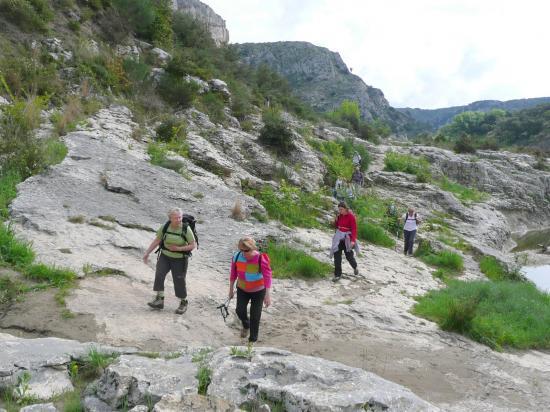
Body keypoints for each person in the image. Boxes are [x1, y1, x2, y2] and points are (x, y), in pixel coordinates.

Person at [143, 208, 196, 314]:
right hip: (165, 255)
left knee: (179, 280)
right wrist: (147, 252)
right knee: (159, 274)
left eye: (180, 217)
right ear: (170, 218)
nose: (179, 219)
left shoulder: (186, 228)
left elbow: (193, 245)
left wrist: (178, 249)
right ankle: (160, 299)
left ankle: (183, 302)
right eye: (176, 218)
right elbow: (157, 240)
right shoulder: (165, 226)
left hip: (180, 259)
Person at [229, 237, 272, 343]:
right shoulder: (237, 256)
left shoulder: (261, 258)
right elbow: (233, 274)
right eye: (241, 250)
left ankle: (252, 341)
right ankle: (245, 324)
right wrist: (230, 290)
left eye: (246, 250)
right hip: (242, 289)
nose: (243, 253)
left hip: (258, 291)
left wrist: (267, 295)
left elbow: (267, 277)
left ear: (252, 248)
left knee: (255, 316)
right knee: (239, 310)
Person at [330, 201, 360, 282]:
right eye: (339, 209)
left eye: (341, 209)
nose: (340, 211)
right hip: (339, 238)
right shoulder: (339, 216)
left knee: (349, 256)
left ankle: (355, 267)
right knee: (337, 256)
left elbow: (354, 229)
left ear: (346, 209)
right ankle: (337, 275)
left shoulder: (351, 216)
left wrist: (353, 241)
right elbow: (336, 226)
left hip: (347, 239)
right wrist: (335, 221)